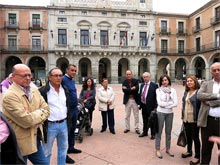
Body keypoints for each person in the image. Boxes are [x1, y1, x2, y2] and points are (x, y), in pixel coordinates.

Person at [2, 64, 50, 164]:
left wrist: (33, 115)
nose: (28, 78)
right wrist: (40, 112)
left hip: (34, 139)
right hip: (19, 143)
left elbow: (47, 109)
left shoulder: (33, 89)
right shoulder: (9, 96)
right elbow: (27, 121)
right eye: (24, 75)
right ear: (13, 77)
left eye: (29, 75)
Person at [39, 67, 74, 164]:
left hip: (64, 124)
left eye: (60, 75)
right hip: (50, 125)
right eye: (56, 76)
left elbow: (67, 105)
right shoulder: (43, 91)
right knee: (46, 151)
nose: (58, 78)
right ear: (49, 77)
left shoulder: (65, 90)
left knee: (63, 150)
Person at [197, 62, 220, 165]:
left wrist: (210, 102)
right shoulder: (206, 83)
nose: (217, 72)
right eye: (214, 70)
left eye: (219, 69)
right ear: (211, 72)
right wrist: (217, 95)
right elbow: (200, 95)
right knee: (205, 148)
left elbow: (205, 98)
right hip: (207, 121)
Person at [155, 74, 178, 159]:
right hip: (160, 113)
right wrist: (170, 104)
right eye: (162, 80)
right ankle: (157, 149)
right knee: (159, 132)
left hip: (170, 113)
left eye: (166, 80)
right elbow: (159, 103)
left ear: (168, 80)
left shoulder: (173, 90)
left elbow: (176, 103)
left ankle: (168, 149)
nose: (164, 82)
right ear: (160, 82)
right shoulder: (158, 90)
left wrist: (166, 105)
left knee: (168, 132)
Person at [181, 75, 201, 165]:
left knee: (195, 137)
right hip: (186, 118)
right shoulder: (186, 92)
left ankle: (197, 156)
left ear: (195, 82)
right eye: (188, 81)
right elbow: (183, 104)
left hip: (194, 119)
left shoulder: (198, 92)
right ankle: (189, 151)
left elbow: (200, 107)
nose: (189, 82)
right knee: (188, 135)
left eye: (191, 81)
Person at [62, 64, 82, 154]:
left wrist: (77, 100)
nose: (74, 72)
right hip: (67, 110)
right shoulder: (63, 79)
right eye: (72, 70)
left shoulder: (72, 80)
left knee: (73, 128)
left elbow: (72, 92)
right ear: (67, 70)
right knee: (67, 130)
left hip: (74, 109)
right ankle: (65, 151)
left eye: (75, 71)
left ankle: (71, 147)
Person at [138, 72, 158, 139]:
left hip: (151, 106)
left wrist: (155, 107)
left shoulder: (154, 85)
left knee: (152, 120)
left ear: (149, 77)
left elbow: (156, 97)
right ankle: (145, 132)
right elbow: (141, 94)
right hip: (143, 105)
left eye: (147, 77)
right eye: (144, 77)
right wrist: (139, 104)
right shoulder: (142, 85)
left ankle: (153, 134)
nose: (145, 78)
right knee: (145, 119)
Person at [122, 70, 140, 134]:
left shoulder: (136, 81)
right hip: (128, 100)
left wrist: (128, 89)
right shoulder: (124, 82)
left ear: (131, 75)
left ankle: (137, 128)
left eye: (129, 74)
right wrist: (132, 89)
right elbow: (125, 91)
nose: (128, 75)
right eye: (127, 74)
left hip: (135, 100)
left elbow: (137, 89)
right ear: (126, 75)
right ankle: (127, 128)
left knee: (136, 115)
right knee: (127, 115)